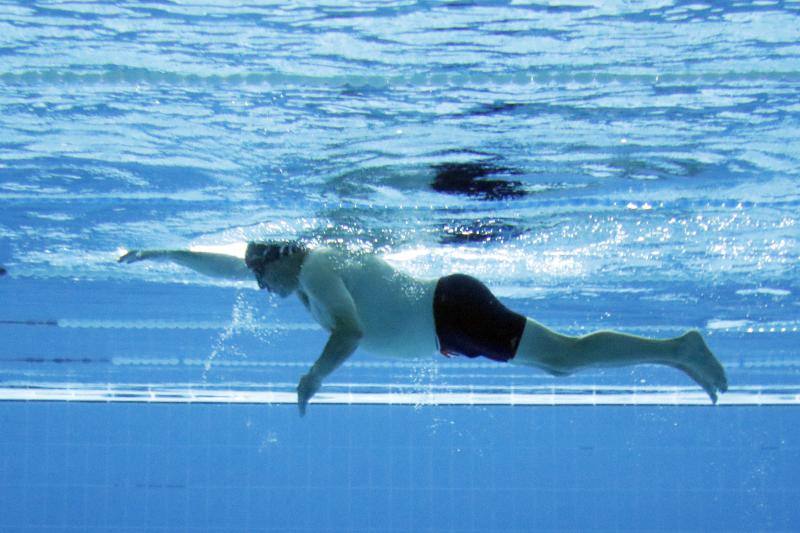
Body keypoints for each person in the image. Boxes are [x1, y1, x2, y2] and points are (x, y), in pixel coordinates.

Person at [119, 241, 728, 414]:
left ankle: (680, 347)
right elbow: (225, 265)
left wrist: (314, 377)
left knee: (563, 360)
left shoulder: (319, 269)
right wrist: (163, 254)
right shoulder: (295, 274)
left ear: (278, 258)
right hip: (448, 323)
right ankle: (676, 351)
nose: (255, 287)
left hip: (451, 313)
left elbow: (351, 332)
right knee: (555, 362)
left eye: (259, 276)